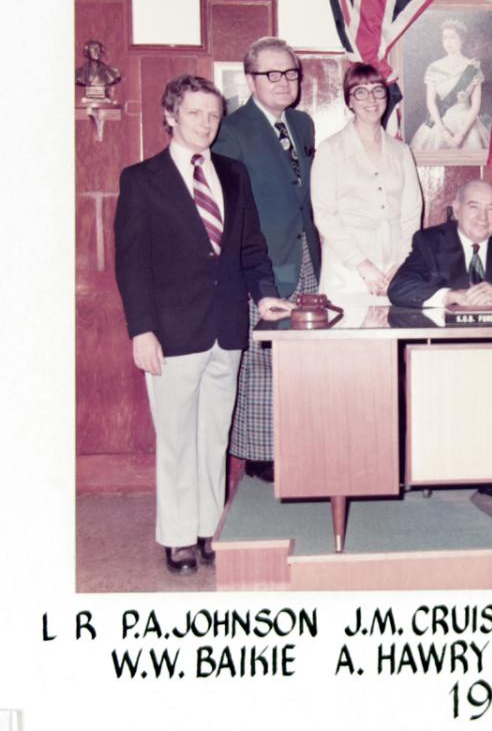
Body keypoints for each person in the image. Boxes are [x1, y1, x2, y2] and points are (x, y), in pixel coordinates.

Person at [114, 74, 294, 575]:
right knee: (176, 438)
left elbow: (252, 248)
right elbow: (131, 264)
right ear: (171, 115)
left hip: (227, 324)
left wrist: (265, 298)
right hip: (170, 333)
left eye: (213, 114)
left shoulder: (233, 174)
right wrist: (141, 331)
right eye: (195, 113)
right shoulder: (141, 179)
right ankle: (176, 537)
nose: (206, 123)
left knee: (214, 435)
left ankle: (208, 527)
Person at [387, 179, 492, 520]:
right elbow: (400, 287)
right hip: (442, 355)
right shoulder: (429, 241)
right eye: (474, 207)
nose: (483, 217)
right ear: (455, 209)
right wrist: (448, 295)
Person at [212, 37, 319, 483]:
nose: (283, 82)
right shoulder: (231, 130)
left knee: (302, 356)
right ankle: (261, 458)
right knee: (261, 359)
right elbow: (231, 207)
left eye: (290, 73)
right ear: (250, 79)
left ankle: (299, 443)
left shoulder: (303, 124)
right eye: (271, 74)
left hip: (308, 253)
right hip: (261, 259)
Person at [311, 63, 423, 307]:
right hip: (347, 269)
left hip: (393, 269)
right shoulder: (331, 150)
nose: (371, 99)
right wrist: (362, 265)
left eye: (377, 90)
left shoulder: (401, 152)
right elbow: (324, 214)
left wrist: (400, 263)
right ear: (349, 101)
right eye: (360, 91)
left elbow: (411, 214)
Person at [410, 19, 491, 152]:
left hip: (467, 123)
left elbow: (476, 105)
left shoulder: (473, 68)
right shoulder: (434, 68)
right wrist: (444, 132)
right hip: (440, 123)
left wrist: (461, 135)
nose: (448, 42)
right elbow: (431, 102)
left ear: (461, 40)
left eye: (452, 37)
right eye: (445, 38)